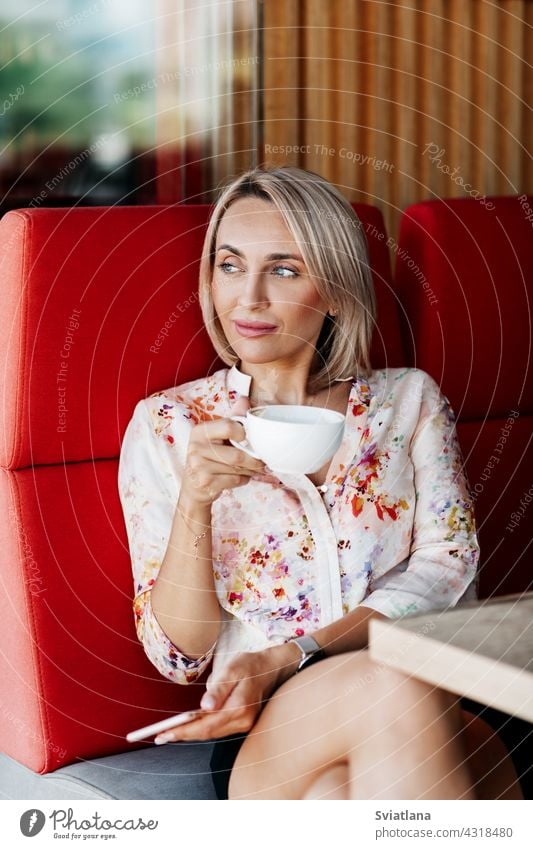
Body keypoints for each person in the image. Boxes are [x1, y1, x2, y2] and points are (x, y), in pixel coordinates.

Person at [118, 165, 523, 800]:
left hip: (421, 704)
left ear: (333, 290)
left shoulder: (407, 402)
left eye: (283, 269)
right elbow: (178, 657)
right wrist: (196, 505)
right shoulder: (171, 425)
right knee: (391, 685)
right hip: (267, 731)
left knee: (338, 795)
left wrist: (292, 651)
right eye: (229, 265)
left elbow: (450, 570)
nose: (247, 297)